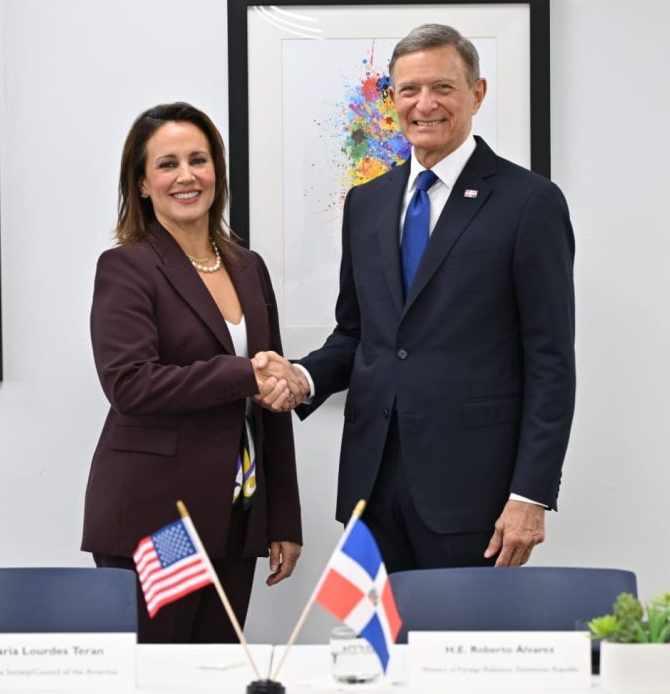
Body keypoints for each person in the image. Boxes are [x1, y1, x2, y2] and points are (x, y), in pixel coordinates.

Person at [260, 24, 575, 572]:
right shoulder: (366, 202)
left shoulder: (530, 203)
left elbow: (551, 362)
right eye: (409, 90)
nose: (424, 104)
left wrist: (531, 493)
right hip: (372, 487)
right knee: (377, 632)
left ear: (477, 93)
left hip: (476, 493)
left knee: (461, 632)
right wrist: (303, 377)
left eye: (442, 88)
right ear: (393, 98)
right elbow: (357, 333)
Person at [82, 102, 303, 643]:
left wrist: (283, 518)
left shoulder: (249, 267)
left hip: (237, 515)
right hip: (161, 519)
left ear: (217, 172)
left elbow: (269, 395)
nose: (186, 176)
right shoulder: (127, 267)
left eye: (198, 160)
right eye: (167, 164)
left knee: (218, 667)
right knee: (158, 669)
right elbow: (130, 384)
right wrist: (243, 374)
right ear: (141, 183)